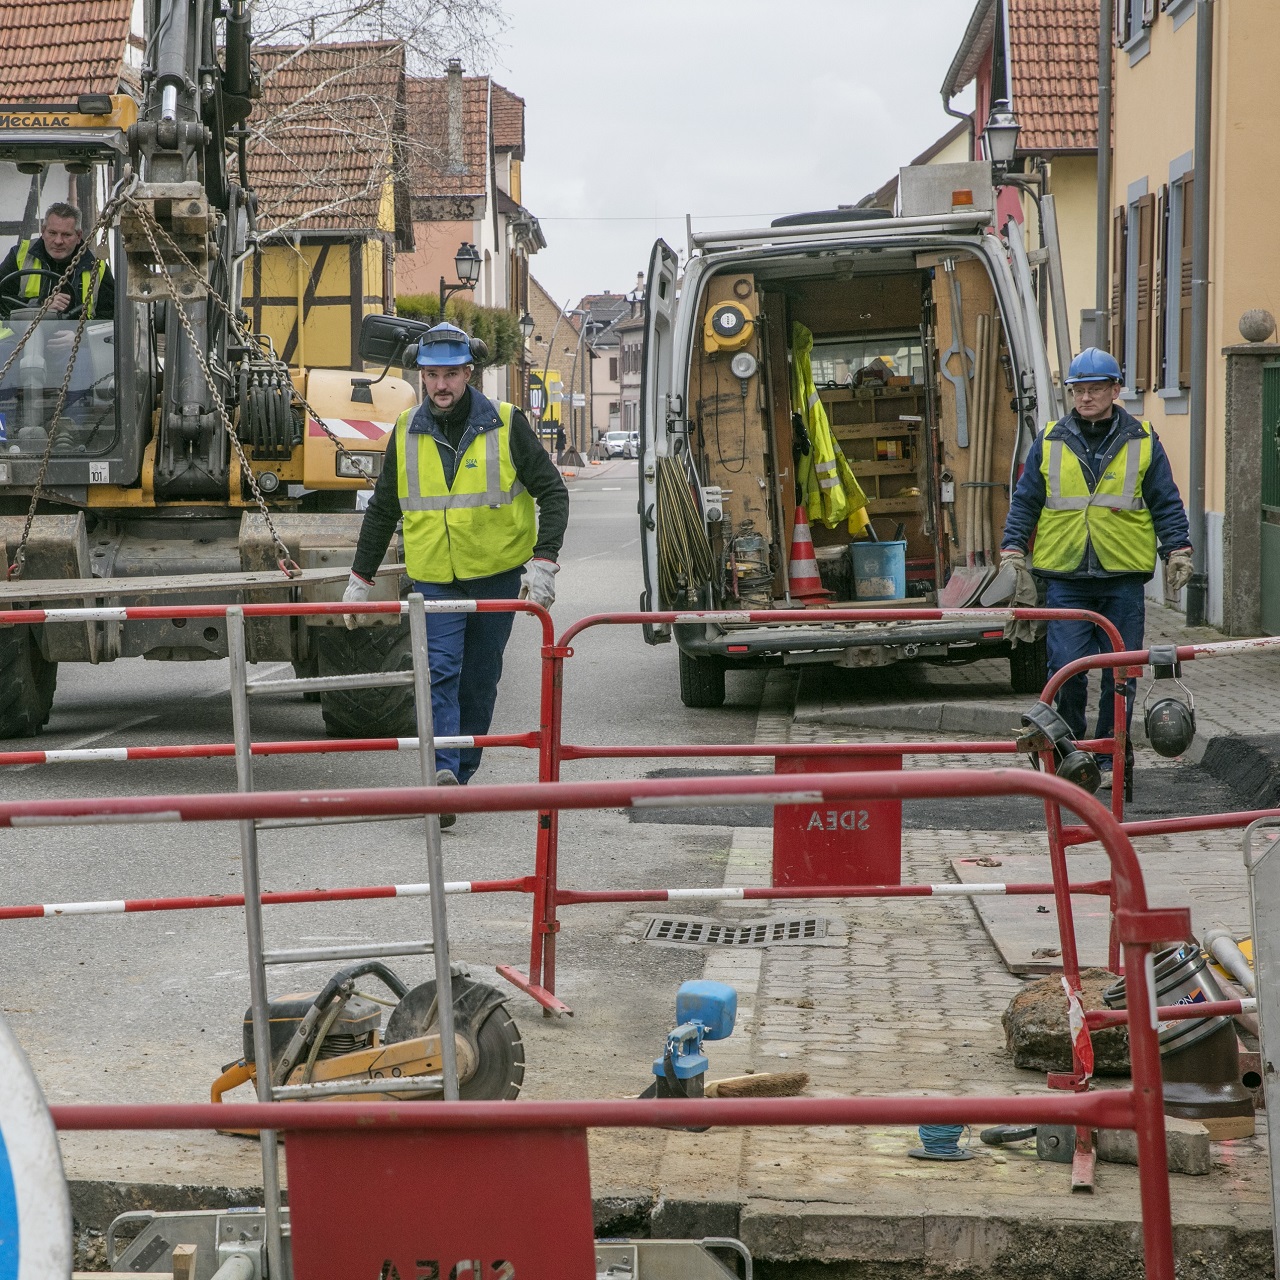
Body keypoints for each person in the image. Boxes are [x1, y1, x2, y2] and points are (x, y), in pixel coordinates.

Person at [344, 322, 569, 825]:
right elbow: (383, 510)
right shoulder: (404, 430)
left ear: (469, 373)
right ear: (421, 376)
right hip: (435, 579)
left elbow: (552, 492)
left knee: (479, 682)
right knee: (439, 671)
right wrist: (361, 578)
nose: (441, 385)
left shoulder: (507, 424)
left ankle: (459, 777)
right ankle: (442, 777)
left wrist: (544, 561)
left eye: (451, 374)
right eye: (432, 375)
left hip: (496, 575)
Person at [1000, 347, 1193, 789]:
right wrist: (1013, 548)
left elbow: (1165, 499)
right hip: (1065, 576)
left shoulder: (1143, 439)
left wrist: (1177, 548)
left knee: (1119, 676)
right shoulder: (1049, 439)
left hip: (1122, 578)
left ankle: (1112, 760)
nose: (1085, 398)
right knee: (1066, 669)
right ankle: (1070, 755)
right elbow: (1026, 499)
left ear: (1114, 390)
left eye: (1094, 389)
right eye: (1078, 390)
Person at [0, 202, 115, 321]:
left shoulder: (97, 265)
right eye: (52, 233)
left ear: (79, 236)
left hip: (77, 338)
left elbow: (110, 316)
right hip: (21, 336)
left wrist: (82, 335)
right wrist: (40, 305)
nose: (58, 241)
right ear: (43, 232)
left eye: (66, 235)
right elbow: (2, 300)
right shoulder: (20, 255)